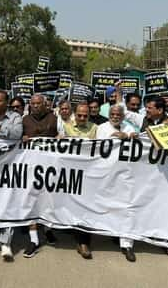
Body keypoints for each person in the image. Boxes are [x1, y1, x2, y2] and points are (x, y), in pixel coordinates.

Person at [96, 105, 138, 262]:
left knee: (126, 208)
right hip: (106, 175)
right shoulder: (101, 128)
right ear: (108, 115)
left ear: (122, 116)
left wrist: (130, 137)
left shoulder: (130, 127)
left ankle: (127, 245)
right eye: (112, 114)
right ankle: (110, 232)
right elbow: (97, 148)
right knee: (107, 207)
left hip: (126, 176)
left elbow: (138, 144)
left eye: (118, 114)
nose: (115, 117)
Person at [0, 90, 23, 262]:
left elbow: (17, 134)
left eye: (0, 101)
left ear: (7, 102)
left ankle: (5, 242)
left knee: (8, 201)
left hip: (10, 166)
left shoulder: (15, 117)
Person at [21, 94, 59, 258]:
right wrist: (21, 138)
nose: (36, 106)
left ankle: (48, 229)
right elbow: (16, 139)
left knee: (48, 200)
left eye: (39, 103)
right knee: (31, 201)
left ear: (45, 104)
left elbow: (61, 135)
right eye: (33, 103)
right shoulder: (25, 120)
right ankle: (34, 240)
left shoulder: (55, 118)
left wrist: (59, 138)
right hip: (30, 166)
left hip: (51, 166)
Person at [62, 102, 97, 259]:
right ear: (74, 114)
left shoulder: (95, 128)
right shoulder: (65, 126)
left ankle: (83, 243)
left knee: (85, 208)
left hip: (88, 174)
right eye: (79, 115)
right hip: (69, 173)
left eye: (85, 115)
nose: (82, 118)